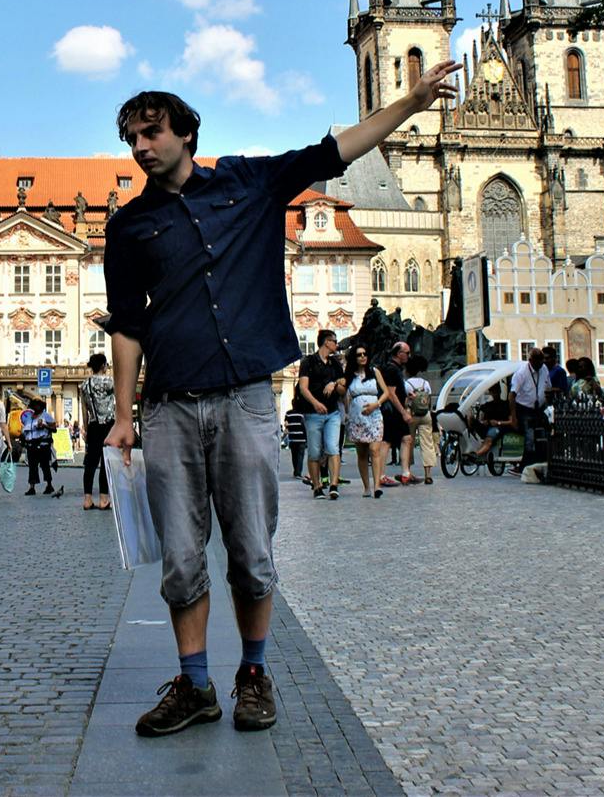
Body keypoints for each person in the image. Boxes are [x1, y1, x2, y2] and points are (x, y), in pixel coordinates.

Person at [100, 61, 458, 737]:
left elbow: (338, 150)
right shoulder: (130, 226)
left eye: (151, 133)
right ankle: (196, 684)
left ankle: (254, 673)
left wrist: (409, 103)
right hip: (170, 404)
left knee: (252, 554)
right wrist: (124, 415)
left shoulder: (249, 181)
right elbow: (126, 324)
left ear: (185, 133)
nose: (142, 148)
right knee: (180, 557)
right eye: (133, 139)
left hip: (244, 399)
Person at [297, 330, 346, 499]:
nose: (336, 344)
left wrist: (334, 383)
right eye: (335, 341)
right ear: (326, 342)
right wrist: (315, 403)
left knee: (333, 448)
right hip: (312, 413)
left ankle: (333, 485)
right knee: (315, 452)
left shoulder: (335, 363)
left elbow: (343, 386)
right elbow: (303, 388)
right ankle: (317, 486)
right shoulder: (308, 362)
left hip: (333, 412)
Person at [345, 344, 390, 497]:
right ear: (354, 358)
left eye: (365, 354)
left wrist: (376, 404)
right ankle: (366, 487)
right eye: (359, 354)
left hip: (375, 414)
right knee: (362, 453)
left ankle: (377, 485)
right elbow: (344, 393)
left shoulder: (374, 372)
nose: (363, 357)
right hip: (357, 417)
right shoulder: (350, 375)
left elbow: (386, 393)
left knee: (374, 450)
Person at [80, 353, 116, 511]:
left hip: (93, 425)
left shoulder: (84, 385)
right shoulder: (110, 382)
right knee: (105, 461)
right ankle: (104, 499)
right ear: (103, 366)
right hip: (109, 425)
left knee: (90, 463)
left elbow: (84, 409)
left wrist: (86, 428)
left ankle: (87, 499)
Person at [379, 342, 416, 486]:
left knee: (406, 438)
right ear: (398, 353)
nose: (408, 356)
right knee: (386, 441)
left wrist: (407, 396)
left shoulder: (396, 369)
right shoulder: (391, 369)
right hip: (392, 411)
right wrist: (403, 412)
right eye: (406, 353)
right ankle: (381, 475)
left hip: (396, 409)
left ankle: (406, 473)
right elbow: (391, 394)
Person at [509, 346, 551, 473]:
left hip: (539, 408)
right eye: (537, 361)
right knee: (530, 436)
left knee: (543, 435)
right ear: (531, 360)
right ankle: (525, 466)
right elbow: (512, 395)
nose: (540, 364)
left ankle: (541, 461)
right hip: (524, 408)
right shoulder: (522, 373)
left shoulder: (544, 369)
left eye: (541, 361)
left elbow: (548, 387)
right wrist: (514, 416)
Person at [404, 353, 436, 486]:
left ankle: (408, 472)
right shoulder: (425, 383)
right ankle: (428, 474)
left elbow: (405, 401)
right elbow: (429, 399)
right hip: (425, 415)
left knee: (408, 443)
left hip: (411, 415)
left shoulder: (407, 384)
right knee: (427, 443)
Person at [22, 398, 59, 496]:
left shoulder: (46, 416)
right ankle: (32, 487)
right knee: (32, 467)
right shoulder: (29, 417)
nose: (35, 407)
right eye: (33, 406)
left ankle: (49, 485)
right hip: (31, 445)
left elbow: (54, 429)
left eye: (36, 406)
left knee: (45, 466)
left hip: (43, 445)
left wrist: (45, 426)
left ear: (41, 407)